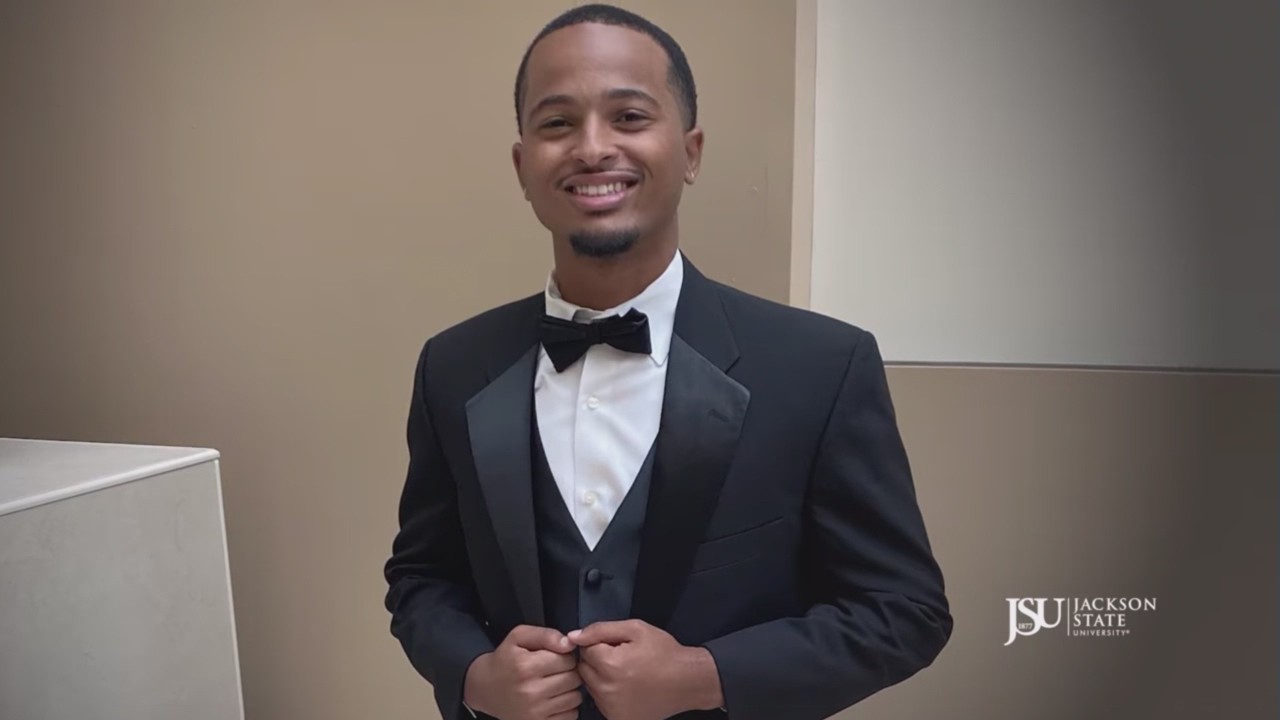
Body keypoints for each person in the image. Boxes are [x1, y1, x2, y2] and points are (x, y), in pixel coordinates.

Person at [384, 5, 952, 719]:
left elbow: (904, 610)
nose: (593, 148)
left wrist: (703, 675)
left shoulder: (822, 366)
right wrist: (473, 674)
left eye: (629, 117)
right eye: (557, 123)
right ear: (523, 166)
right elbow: (422, 577)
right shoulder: (452, 365)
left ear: (690, 152)